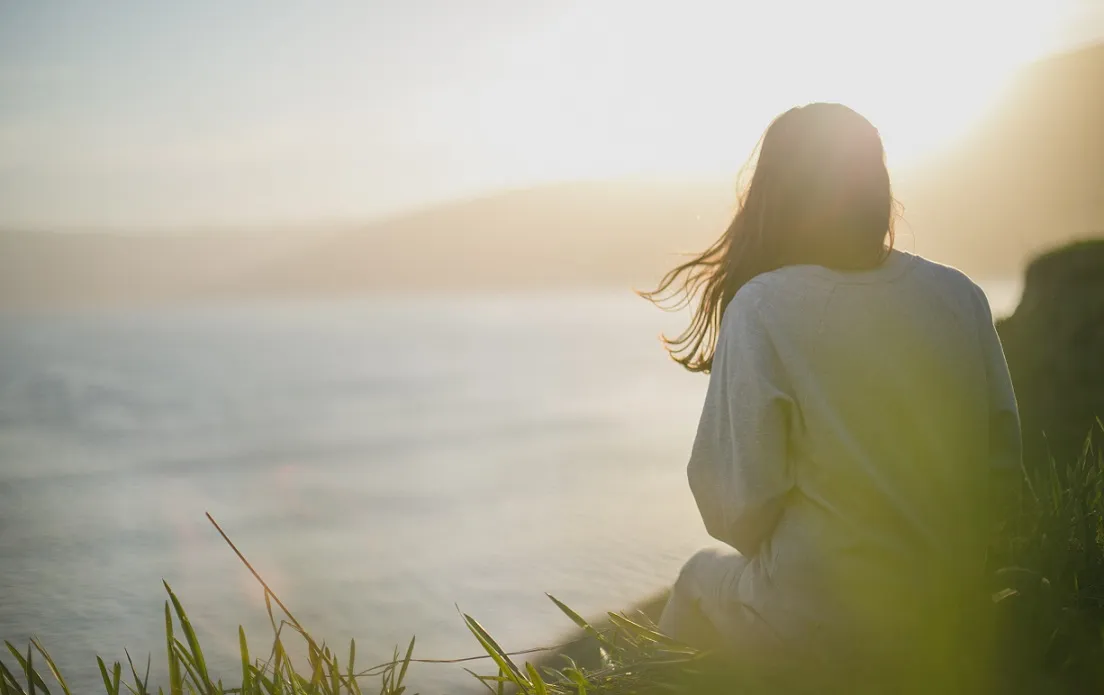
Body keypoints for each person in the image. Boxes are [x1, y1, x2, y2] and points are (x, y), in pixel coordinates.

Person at [642, 103, 1022, 675]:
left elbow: (735, 511)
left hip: (822, 620)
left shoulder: (764, 306)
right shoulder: (959, 295)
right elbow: (1001, 471)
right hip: (951, 611)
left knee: (698, 577)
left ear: (776, 196)